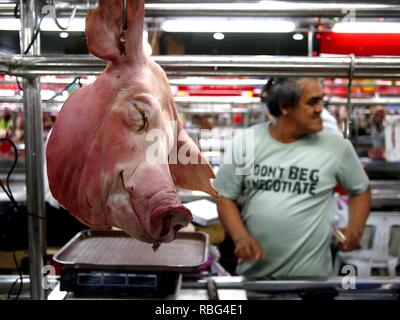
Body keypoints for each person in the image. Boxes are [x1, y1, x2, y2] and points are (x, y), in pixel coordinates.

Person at [214, 77, 371, 278]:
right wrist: (240, 238)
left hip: (312, 282)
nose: (320, 109)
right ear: (285, 107)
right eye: (312, 102)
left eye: (322, 101)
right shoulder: (248, 142)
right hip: (255, 276)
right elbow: (224, 195)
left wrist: (355, 229)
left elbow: (361, 190)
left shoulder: (336, 146)